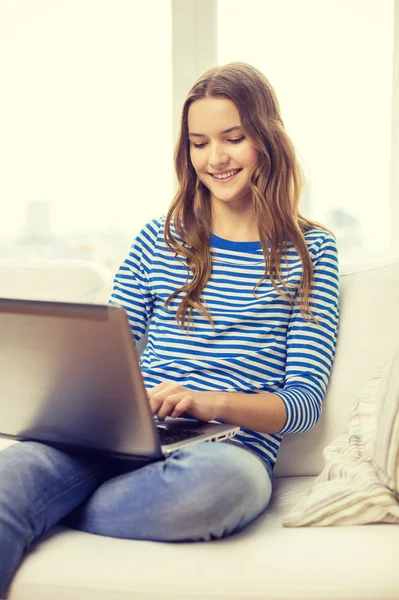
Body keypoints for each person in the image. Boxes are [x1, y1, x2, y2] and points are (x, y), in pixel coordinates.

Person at [0, 62, 339, 597]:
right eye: (199, 143)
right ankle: (43, 497)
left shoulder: (312, 251)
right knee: (8, 478)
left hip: (225, 449)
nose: (216, 158)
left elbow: (301, 404)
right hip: (126, 436)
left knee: (222, 489)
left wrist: (209, 403)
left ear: (266, 140)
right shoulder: (159, 239)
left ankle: (53, 507)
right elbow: (102, 360)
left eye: (234, 138)